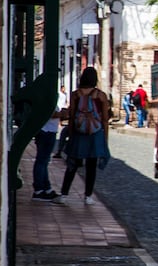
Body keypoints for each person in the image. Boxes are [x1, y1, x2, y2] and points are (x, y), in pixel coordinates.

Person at [54, 67, 111, 206]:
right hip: (95, 134)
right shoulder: (101, 96)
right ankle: (88, 196)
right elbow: (105, 119)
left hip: (78, 134)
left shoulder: (75, 95)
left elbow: (72, 116)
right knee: (91, 166)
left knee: (72, 165)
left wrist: (71, 133)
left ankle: (64, 194)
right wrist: (105, 137)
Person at [30, 87, 69, 201]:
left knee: (44, 161)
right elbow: (50, 114)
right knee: (41, 161)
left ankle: (46, 188)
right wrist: (62, 114)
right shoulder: (46, 100)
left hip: (49, 131)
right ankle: (38, 190)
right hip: (46, 131)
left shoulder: (48, 98)